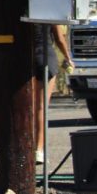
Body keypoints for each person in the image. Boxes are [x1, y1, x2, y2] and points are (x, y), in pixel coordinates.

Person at [34, 24, 72, 164]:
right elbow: (59, 38)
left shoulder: (22, 11)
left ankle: (29, 146)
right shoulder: (48, 11)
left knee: (29, 106)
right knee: (41, 106)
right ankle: (38, 149)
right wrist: (68, 57)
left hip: (26, 59)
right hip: (45, 56)